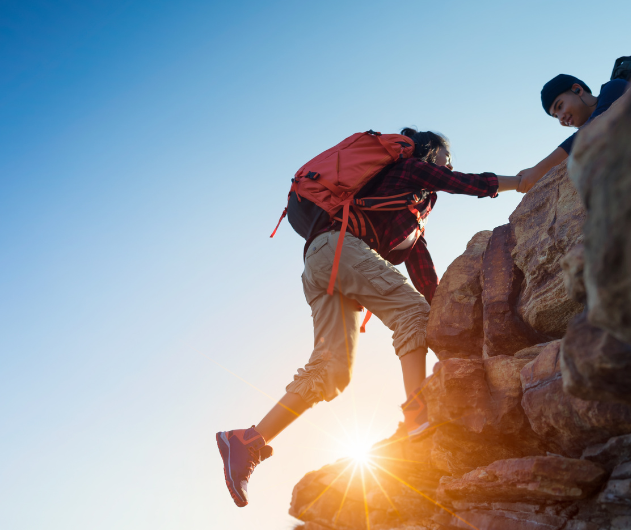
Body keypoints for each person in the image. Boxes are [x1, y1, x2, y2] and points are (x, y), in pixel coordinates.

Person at [215, 128, 525, 508]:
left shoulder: (409, 212)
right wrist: (522, 181)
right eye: (446, 156)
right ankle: (417, 420)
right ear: (430, 154)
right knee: (412, 314)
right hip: (338, 248)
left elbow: (423, 270)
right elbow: (465, 183)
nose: (449, 163)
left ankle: (246, 441)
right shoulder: (412, 170)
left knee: (332, 370)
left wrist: (447, 318)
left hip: (320, 259)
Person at [516, 74, 629, 192]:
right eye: (556, 116)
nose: (561, 119)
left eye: (560, 106)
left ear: (577, 90)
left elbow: (593, 128)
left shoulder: (615, 87)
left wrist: (538, 170)